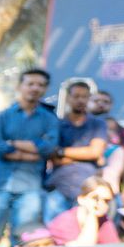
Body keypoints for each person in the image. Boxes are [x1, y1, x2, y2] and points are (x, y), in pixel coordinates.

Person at [0, 67, 58, 244]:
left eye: (40, 85)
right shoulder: (0, 116)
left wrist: (12, 144)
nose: (35, 88)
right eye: (30, 83)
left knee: (25, 242)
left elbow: (49, 149)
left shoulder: (50, 119)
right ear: (20, 86)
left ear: (45, 89)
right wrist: (34, 151)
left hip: (30, 188)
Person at [44, 80, 109, 222]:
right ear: (68, 98)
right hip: (59, 186)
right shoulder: (57, 124)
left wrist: (62, 152)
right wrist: (85, 154)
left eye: (84, 96)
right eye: (76, 96)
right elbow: (51, 155)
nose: (80, 100)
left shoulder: (98, 124)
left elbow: (95, 152)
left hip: (88, 188)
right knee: (54, 228)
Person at [45, 177, 121, 247]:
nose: (101, 204)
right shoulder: (64, 222)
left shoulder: (104, 221)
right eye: (95, 198)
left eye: (106, 201)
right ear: (81, 199)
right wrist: (92, 216)